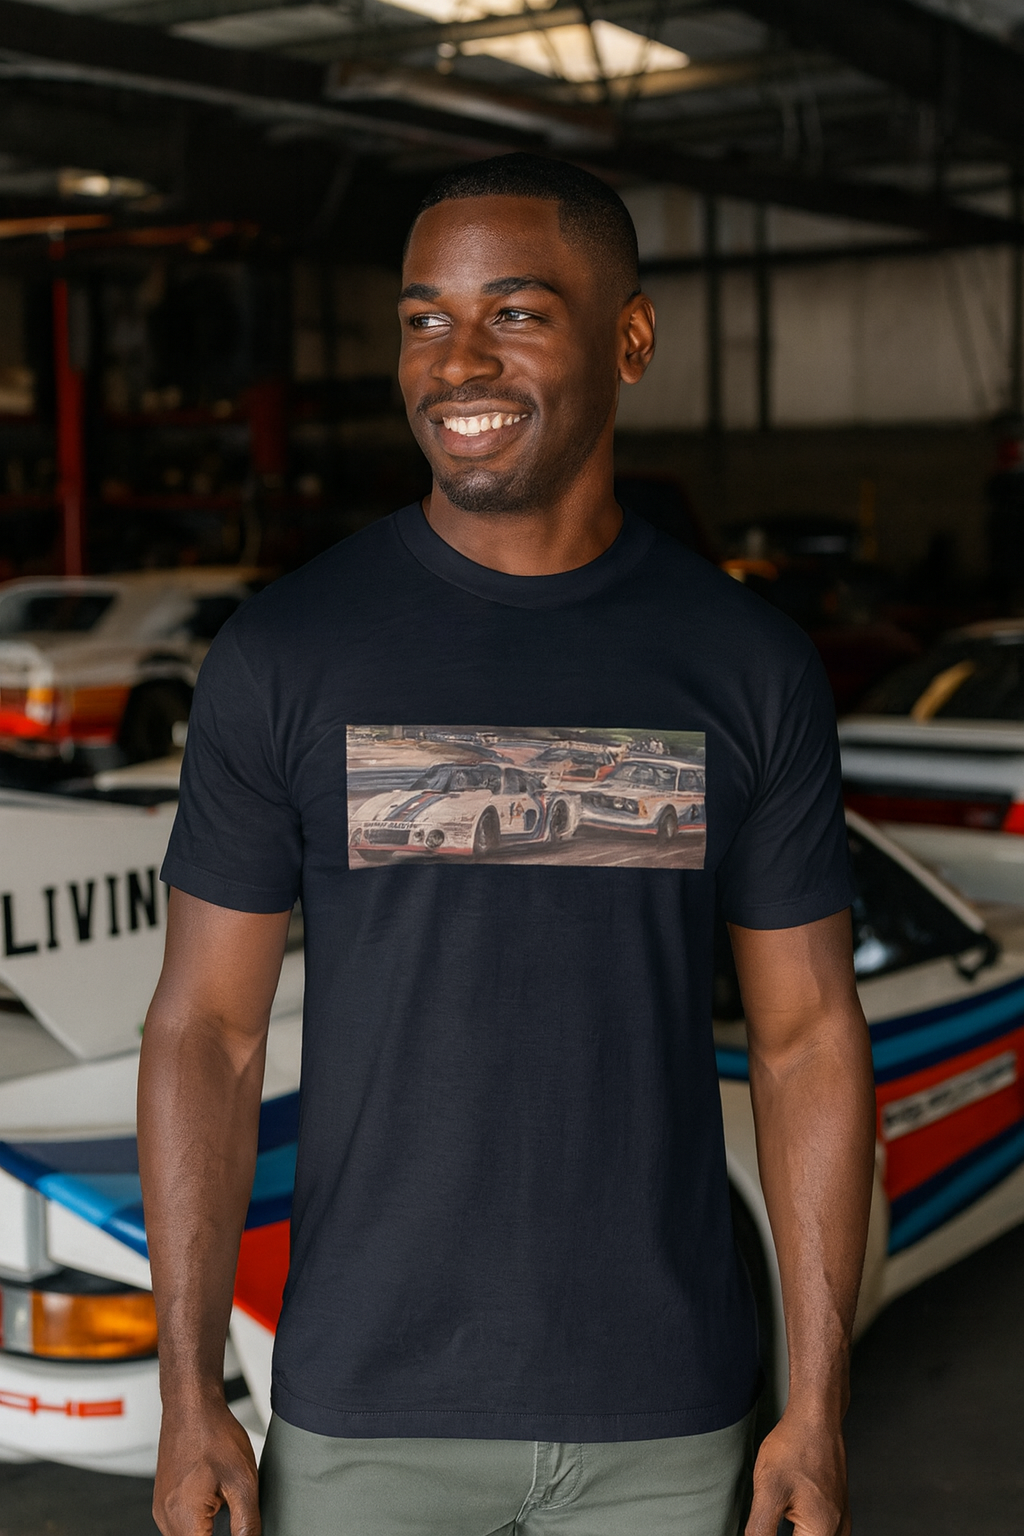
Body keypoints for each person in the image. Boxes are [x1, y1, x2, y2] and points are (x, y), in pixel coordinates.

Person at [138, 152, 875, 1536]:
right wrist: (188, 1394)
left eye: (515, 313)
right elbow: (207, 1035)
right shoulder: (288, 654)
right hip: (366, 1417)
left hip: (669, 1418)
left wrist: (817, 1408)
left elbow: (807, 1039)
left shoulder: (745, 666)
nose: (455, 360)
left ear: (631, 339)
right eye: (424, 318)